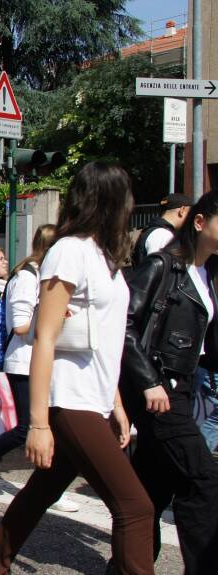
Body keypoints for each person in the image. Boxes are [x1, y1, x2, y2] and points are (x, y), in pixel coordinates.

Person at [0, 162, 154, 575]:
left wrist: (117, 406)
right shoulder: (69, 251)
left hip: (94, 397)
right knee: (136, 507)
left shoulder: (104, 257)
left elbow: (104, 341)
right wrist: (38, 423)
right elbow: (45, 339)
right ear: (111, 200)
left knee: (41, 492)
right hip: (68, 398)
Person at [121, 191, 218, 572]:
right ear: (199, 222)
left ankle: (126, 566)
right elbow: (124, 326)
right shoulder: (164, 266)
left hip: (185, 389)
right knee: (204, 480)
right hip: (160, 392)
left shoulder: (208, 274)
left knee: (150, 492)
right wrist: (148, 382)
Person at [0, 225, 80, 512]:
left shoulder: (46, 277)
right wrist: (54, 316)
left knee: (55, 426)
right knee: (28, 427)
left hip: (46, 360)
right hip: (24, 362)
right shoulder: (26, 278)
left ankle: (51, 484)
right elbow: (21, 326)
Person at [131, 192, 193, 266]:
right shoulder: (162, 235)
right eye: (190, 213)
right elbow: (156, 270)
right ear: (182, 210)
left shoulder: (153, 230)